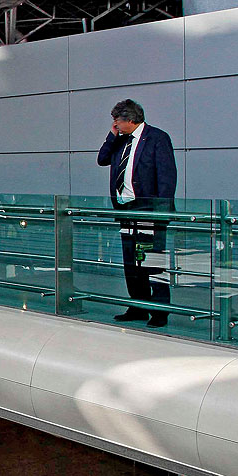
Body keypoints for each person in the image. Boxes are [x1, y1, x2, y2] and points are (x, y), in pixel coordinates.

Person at [97, 99, 177, 328]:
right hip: (126, 211)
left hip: (149, 212)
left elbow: (166, 177)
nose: (115, 125)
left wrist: (160, 214)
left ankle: (160, 310)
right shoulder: (120, 141)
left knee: (152, 262)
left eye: (117, 121)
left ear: (130, 120)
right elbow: (102, 160)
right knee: (131, 263)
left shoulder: (157, 138)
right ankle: (138, 306)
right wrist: (112, 136)